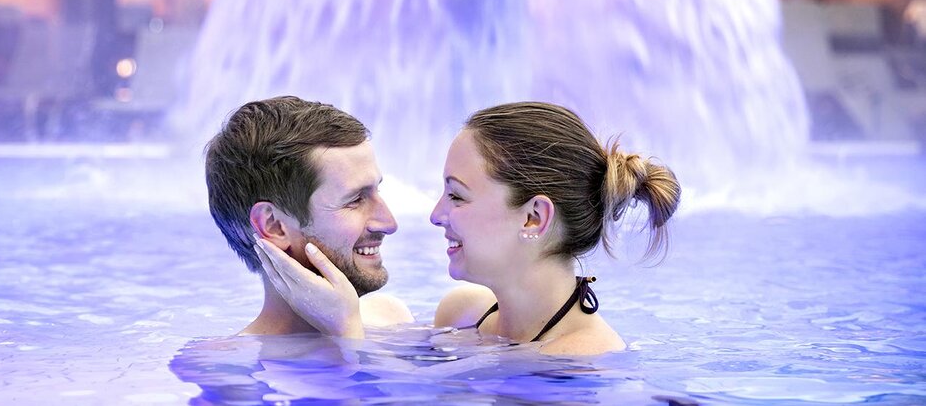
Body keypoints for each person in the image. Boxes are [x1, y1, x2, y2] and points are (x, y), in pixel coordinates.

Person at [257, 101, 680, 355]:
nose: (436, 215)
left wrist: (346, 335)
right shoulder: (463, 315)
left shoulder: (582, 364)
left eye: (457, 196)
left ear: (534, 217)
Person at [205, 95, 413, 336]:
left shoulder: (391, 316)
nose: (389, 223)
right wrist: (345, 332)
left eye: (377, 190)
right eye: (355, 200)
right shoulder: (228, 367)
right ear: (274, 226)